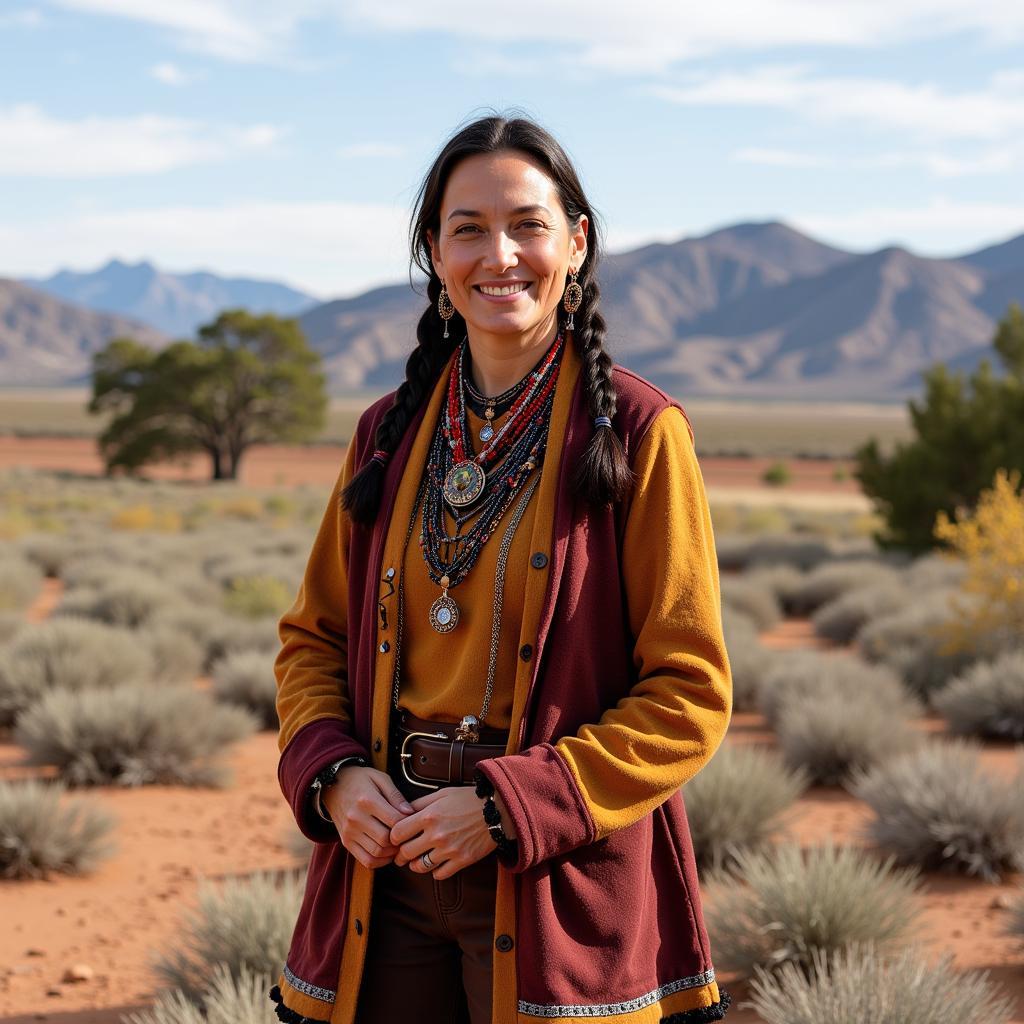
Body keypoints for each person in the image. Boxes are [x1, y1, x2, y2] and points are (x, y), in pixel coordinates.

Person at [270, 112, 733, 1024]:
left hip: (553, 882)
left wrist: (505, 808)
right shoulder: (386, 433)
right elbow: (310, 640)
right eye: (467, 228)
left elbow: (690, 694)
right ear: (434, 253)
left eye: (527, 224)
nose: (501, 255)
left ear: (577, 241)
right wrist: (333, 776)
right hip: (385, 869)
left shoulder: (639, 433)